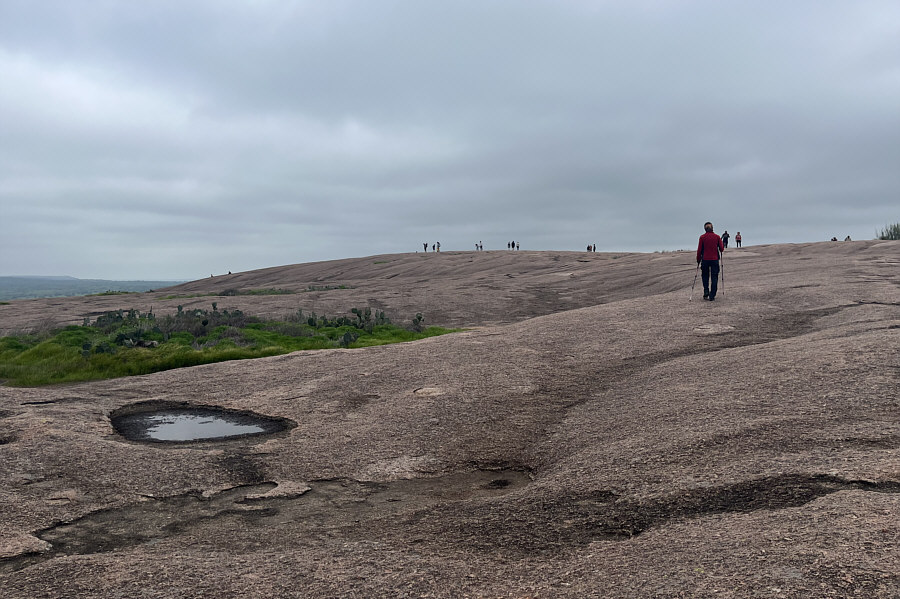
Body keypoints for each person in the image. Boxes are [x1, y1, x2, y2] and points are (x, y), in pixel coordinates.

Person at [696, 222, 724, 301]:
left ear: (705, 229)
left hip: (705, 259)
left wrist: (698, 259)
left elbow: (699, 250)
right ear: (712, 228)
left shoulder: (702, 237)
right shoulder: (717, 237)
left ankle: (706, 290)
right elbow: (721, 248)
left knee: (705, 275)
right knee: (714, 277)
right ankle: (712, 295)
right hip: (714, 260)